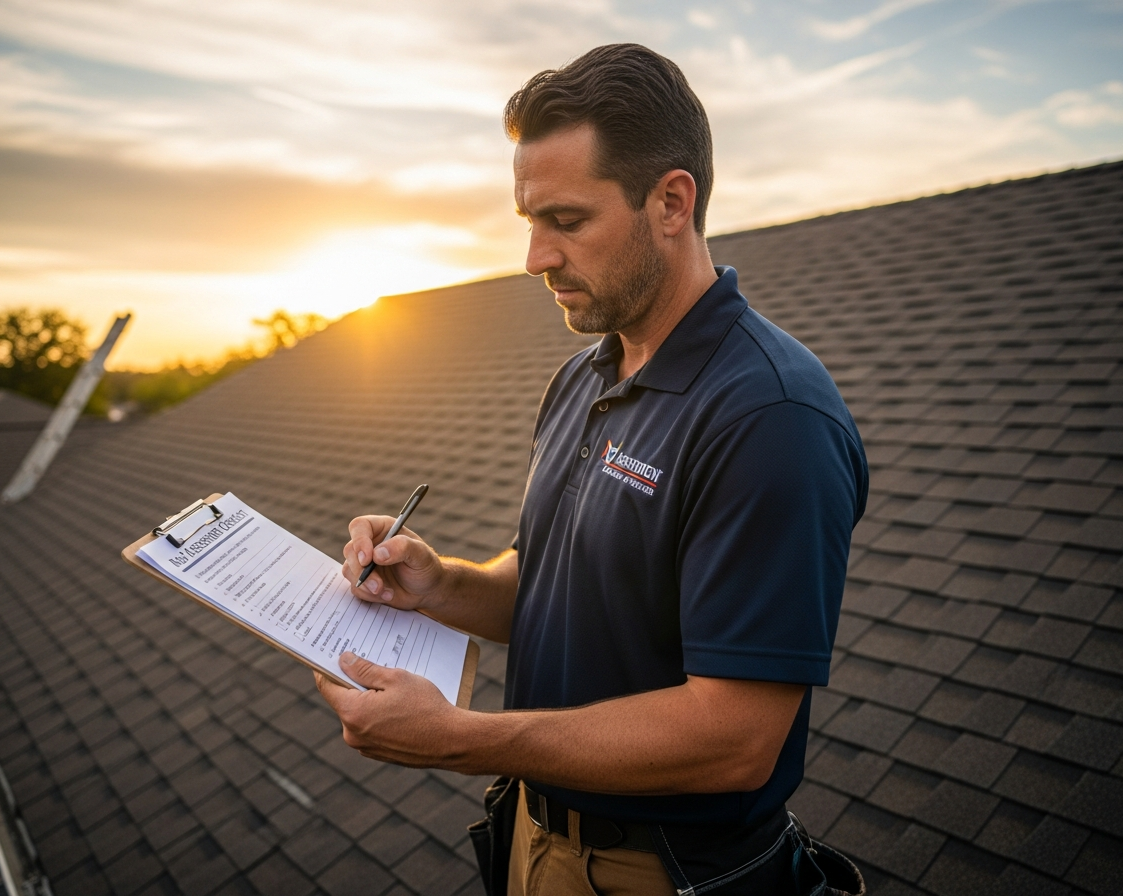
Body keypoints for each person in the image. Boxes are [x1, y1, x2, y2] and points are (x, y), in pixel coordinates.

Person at [314, 43, 869, 896]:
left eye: (567, 222)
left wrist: (464, 738)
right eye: (529, 222)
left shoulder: (768, 416)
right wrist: (437, 583)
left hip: (661, 873)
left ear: (671, 202)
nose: (535, 257)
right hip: (535, 840)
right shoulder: (583, 375)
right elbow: (547, 578)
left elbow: (734, 737)